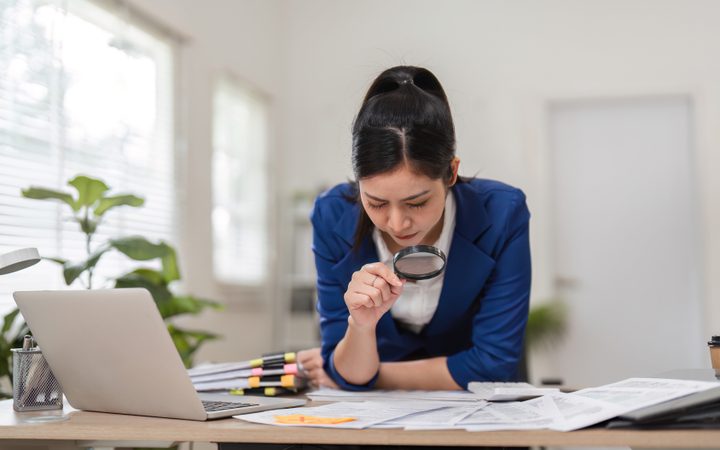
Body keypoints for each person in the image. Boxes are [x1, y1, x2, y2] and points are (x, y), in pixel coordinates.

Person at [305, 65, 531, 391]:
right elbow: (347, 369)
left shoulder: (502, 213)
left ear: (451, 173)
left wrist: (372, 376)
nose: (397, 223)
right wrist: (361, 325)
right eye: (377, 203)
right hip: (375, 423)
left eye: (417, 203)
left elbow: (492, 363)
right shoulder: (332, 215)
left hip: (482, 412)